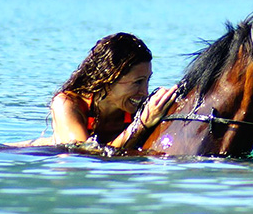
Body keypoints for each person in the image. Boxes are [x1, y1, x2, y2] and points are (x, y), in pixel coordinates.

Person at [12, 33, 177, 149]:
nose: (144, 92)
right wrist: (140, 124)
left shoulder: (140, 109)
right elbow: (81, 155)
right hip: (23, 151)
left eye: (147, 81)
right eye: (137, 82)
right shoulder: (67, 104)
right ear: (108, 79)